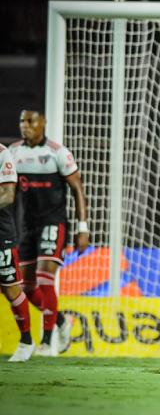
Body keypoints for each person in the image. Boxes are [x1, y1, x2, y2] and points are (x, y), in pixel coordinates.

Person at [9, 109, 89, 355]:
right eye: (22, 120)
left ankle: (46, 342)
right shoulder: (13, 152)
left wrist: (82, 227)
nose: (26, 125)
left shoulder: (57, 152)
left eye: (31, 121)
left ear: (43, 123)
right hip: (25, 227)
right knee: (24, 287)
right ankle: (62, 321)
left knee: (45, 279)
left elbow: (77, 188)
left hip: (53, 222)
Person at [2, 142, 37, 361]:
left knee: (10, 288)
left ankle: (26, 341)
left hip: (1, 233)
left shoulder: (2, 153)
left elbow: (8, 195)